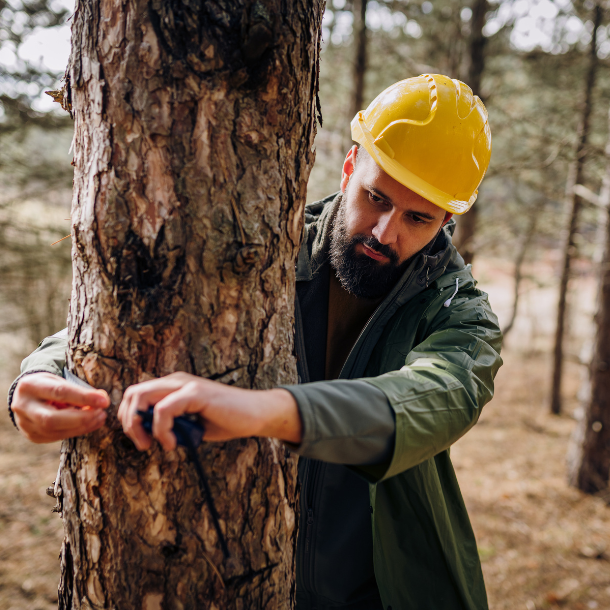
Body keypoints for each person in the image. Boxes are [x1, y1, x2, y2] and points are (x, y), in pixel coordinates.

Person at [8, 74, 502, 610]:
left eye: (417, 217)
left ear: (446, 220)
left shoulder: (462, 314)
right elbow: (126, 318)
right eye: (375, 197)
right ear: (349, 167)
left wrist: (265, 411)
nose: (384, 231)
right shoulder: (265, 245)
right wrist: (42, 374)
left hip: (379, 594)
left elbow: (432, 397)